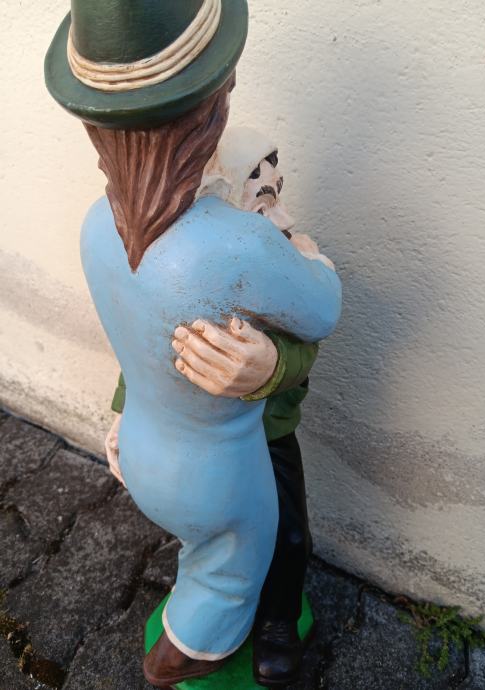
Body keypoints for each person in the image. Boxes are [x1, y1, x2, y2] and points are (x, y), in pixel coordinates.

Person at [45, 1, 341, 686]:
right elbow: (322, 307)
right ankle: (186, 647)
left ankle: (260, 617)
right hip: (219, 470)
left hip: (147, 451)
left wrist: (269, 368)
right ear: (212, 104)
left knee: (227, 542)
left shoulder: (95, 227)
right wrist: (306, 254)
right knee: (237, 558)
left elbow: (138, 336)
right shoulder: (239, 244)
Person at [106, 126, 337, 686]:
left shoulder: (282, 264)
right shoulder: (184, 267)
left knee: (288, 531)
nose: (279, 216)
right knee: (208, 524)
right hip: (197, 441)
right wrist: (122, 410)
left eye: (277, 195)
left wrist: (271, 367)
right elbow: (140, 350)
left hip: (268, 431)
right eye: (260, 200)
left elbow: (309, 339)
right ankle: (208, 602)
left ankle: (278, 621)